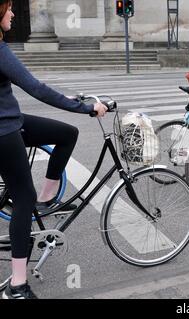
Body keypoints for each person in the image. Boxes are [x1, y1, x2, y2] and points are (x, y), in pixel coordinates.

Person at [0, 0, 107, 299]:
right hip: (4, 130)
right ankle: (17, 287)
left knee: (66, 133)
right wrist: (86, 108)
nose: (12, 13)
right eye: (7, 8)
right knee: (23, 197)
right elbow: (36, 88)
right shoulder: (0, 51)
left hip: (13, 122)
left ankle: (47, 200)